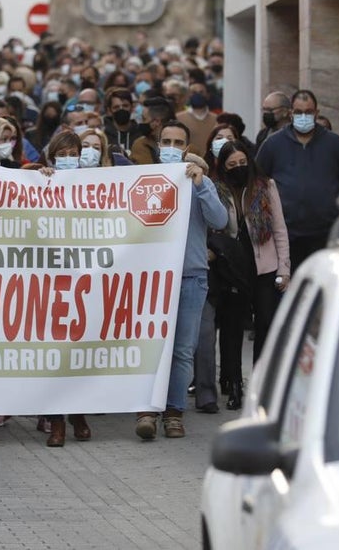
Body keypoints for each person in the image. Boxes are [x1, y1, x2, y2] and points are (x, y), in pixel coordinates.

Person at [135, 121, 228, 440]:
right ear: (158, 145)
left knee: (183, 349)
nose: (171, 146)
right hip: (151, 278)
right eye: (166, 141)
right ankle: (147, 409)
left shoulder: (198, 181)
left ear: (186, 149)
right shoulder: (141, 179)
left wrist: (202, 185)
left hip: (190, 276)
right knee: (149, 345)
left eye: (178, 142)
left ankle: (173, 411)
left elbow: (220, 221)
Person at [29, 131, 93, 447]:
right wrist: (38, 176)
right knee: (53, 352)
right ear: (52, 156)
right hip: (49, 280)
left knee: (79, 349)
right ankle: (57, 422)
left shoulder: (96, 184)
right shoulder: (42, 178)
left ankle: (78, 413)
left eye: (74, 151)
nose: (68, 157)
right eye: (62, 152)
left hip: (84, 280)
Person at [255, 90, 339, 273]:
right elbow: (257, 182)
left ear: (316, 113)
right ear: (291, 113)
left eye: (308, 112)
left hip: (325, 234)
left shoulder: (334, 144)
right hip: (287, 236)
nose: (303, 116)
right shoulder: (273, 144)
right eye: (299, 112)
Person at [215, 142, 289, 387]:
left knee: (265, 322)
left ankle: (261, 380)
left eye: (242, 163)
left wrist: (284, 269)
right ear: (224, 167)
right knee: (232, 327)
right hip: (233, 269)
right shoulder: (218, 190)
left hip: (264, 267)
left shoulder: (265, 187)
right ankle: (233, 382)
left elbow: (279, 230)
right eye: (232, 165)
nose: (238, 168)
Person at [176, 81, 218, 158]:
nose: (198, 95)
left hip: (211, 163)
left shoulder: (216, 119)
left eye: (201, 92)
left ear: (207, 95)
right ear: (188, 95)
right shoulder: (178, 118)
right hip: (187, 163)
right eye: (194, 92)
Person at [130, 97, 173, 166]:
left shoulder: (183, 146)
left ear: (157, 122)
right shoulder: (140, 145)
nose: (141, 122)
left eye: (144, 119)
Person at [102, 87, 137, 156]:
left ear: (132, 107)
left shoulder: (140, 134)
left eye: (125, 106)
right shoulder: (103, 136)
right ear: (109, 110)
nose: (121, 110)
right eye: (116, 107)